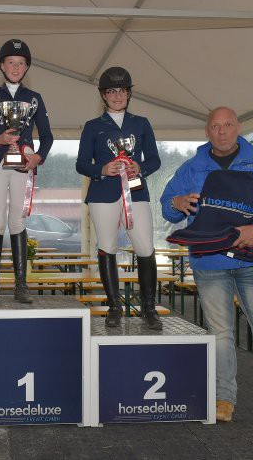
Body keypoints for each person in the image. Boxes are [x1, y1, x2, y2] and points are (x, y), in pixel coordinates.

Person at [160, 106, 253, 433]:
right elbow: (168, 204)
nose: (222, 131)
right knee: (221, 335)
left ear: (238, 127)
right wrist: (176, 203)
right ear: (207, 131)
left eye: (227, 125)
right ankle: (223, 399)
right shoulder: (191, 167)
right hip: (209, 263)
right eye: (215, 126)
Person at [76, 67, 162, 330]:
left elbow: (155, 159)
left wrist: (140, 168)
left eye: (122, 90)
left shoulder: (142, 123)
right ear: (103, 95)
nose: (117, 96)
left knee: (146, 247)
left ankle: (149, 308)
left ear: (129, 93)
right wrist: (101, 170)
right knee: (107, 247)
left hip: (136, 192)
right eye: (111, 91)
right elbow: (81, 164)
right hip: (103, 194)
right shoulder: (93, 127)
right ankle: (114, 307)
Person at [0, 39, 53, 305]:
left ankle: (21, 285)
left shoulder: (35, 98)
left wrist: (38, 157)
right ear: (2, 65)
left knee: (17, 221)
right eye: (11, 62)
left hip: (21, 165)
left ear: (26, 67)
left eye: (21, 63)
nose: (16, 67)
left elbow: (48, 137)